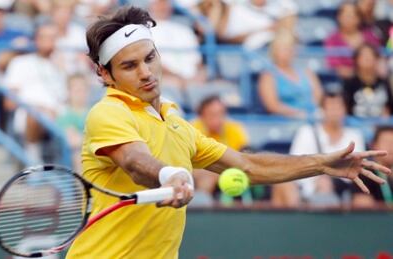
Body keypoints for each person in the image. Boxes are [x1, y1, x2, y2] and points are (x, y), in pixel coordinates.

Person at [66, 6, 391, 259]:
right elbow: (136, 162)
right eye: (129, 66)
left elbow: (248, 167)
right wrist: (169, 175)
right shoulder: (108, 112)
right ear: (105, 74)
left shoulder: (175, 120)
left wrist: (320, 164)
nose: (146, 72)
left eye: (150, 58)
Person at [273, 92, 366, 207]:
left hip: (343, 191)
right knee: (282, 184)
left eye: (338, 106)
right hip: (305, 191)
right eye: (330, 106)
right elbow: (295, 166)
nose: (334, 111)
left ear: (345, 109)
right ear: (322, 110)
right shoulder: (306, 132)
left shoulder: (354, 135)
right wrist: (315, 182)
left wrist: (332, 182)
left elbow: (356, 171)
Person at [3, 22, 67, 163]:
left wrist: (63, 70)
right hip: (29, 113)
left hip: (61, 113)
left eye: (53, 37)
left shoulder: (64, 63)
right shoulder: (20, 62)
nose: (49, 42)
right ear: (36, 39)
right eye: (45, 37)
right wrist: (40, 108)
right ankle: (33, 160)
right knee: (35, 115)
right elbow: (9, 102)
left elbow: (74, 96)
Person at [190, 95, 249, 203]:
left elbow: (244, 157)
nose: (218, 119)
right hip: (199, 172)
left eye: (221, 114)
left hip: (230, 171)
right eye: (212, 115)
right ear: (202, 116)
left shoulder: (235, 129)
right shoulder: (192, 129)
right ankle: (200, 209)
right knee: (207, 177)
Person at [258, 31, 323, 118]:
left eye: (291, 48)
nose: (288, 52)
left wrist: (309, 110)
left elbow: (318, 93)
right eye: (284, 48)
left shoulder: (306, 71)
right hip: (286, 120)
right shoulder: (268, 76)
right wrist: (297, 113)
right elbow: (273, 105)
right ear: (275, 51)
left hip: (311, 115)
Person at [148, 0, 206, 89]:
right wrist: (178, 78)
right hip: (166, 79)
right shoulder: (144, 31)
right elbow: (153, 63)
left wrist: (198, 76)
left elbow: (198, 62)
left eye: (165, 3)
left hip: (191, 79)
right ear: (151, 6)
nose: (162, 7)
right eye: (159, 3)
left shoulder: (185, 30)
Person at [324, 2, 380, 79]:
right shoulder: (332, 39)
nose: (349, 19)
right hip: (342, 81)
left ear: (359, 18)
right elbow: (334, 65)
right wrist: (358, 72)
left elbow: (377, 58)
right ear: (339, 17)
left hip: (369, 80)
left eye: (353, 15)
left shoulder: (370, 36)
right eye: (346, 15)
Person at [343, 43, 393, 118]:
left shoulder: (384, 82)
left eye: (370, 55)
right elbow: (345, 109)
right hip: (356, 125)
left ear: (376, 59)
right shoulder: (350, 84)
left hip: (381, 125)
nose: (367, 59)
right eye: (363, 56)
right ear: (356, 60)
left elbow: (390, 106)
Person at [56, 74, 90, 172]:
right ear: (69, 91)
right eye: (76, 89)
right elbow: (73, 141)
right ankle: (83, 184)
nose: (80, 93)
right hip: (76, 155)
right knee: (78, 152)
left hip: (94, 150)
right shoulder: (65, 115)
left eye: (83, 89)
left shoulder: (94, 111)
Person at [352, 125, 393, 208]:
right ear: (374, 145)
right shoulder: (364, 174)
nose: (391, 147)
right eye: (387, 142)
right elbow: (363, 207)